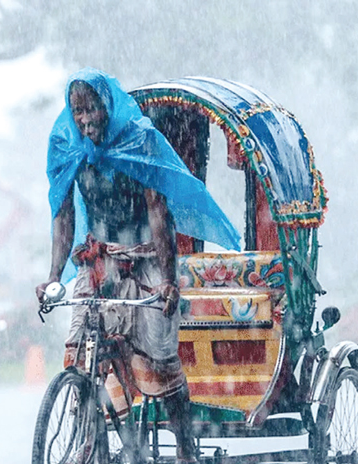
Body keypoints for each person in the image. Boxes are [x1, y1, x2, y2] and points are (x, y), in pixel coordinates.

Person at [36, 68, 240, 463]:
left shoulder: (137, 140)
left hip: (147, 258)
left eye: (92, 109)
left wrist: (168, 280)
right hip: (98, 261)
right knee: (81, 353)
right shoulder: (67, 146)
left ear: (107, 106)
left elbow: (157, 210)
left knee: (161, 359)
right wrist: (51, 277)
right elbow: (63, 217)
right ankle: (88, 436)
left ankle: (184, 448)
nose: (85, 119)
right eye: (77, 111)